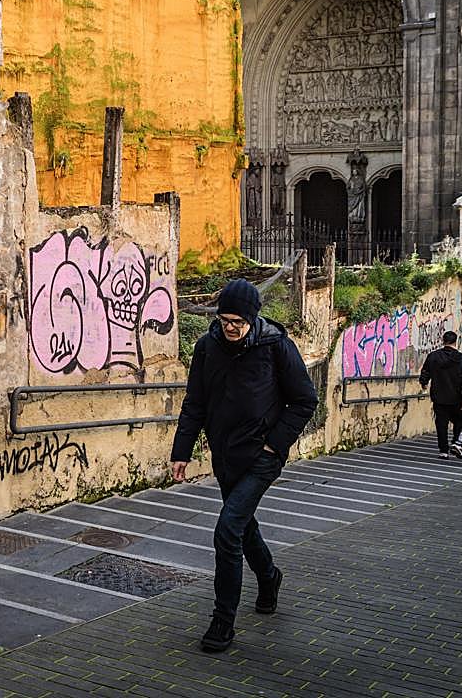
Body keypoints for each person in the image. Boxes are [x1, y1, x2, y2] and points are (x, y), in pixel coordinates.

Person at [169, 278, 318, 653]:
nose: (230, 327)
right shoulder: (207, 347)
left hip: (261, 458)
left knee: (227, 530)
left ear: (252, 318)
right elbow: (195, 402)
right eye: (224, 320)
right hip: (226, 455)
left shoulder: (276, 347)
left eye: (237, 320)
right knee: (243, 526)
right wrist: (182, 450)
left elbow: (304, 400)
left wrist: (274, 445)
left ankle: (223, 621)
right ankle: (269, 577)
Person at [418, 331, 462, 459]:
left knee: (441, 423)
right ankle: (455, 443)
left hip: (438, 395)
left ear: (443, 340)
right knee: (460, 420)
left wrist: (424, 383)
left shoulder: (433, 356)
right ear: (455, 341)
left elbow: (425, 372)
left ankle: (443, 450)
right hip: (456, 397)